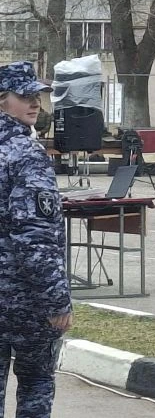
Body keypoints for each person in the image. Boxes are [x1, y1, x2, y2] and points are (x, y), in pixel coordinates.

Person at [0, 62, 73, 418]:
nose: (35, 103)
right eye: (24, 96)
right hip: (23, 298)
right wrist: (57, 301)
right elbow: (35, 238)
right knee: (36, 382)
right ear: (2, 100)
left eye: (37, 96)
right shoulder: (25, 154)